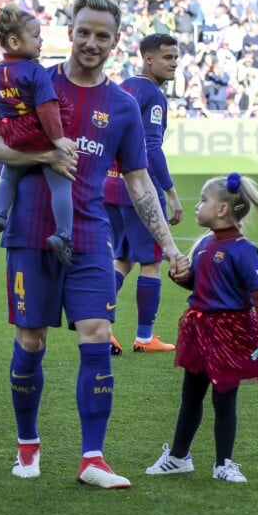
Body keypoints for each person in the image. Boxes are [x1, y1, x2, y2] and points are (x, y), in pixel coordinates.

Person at [0, 0, 188, 489]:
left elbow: (139, 183)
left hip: (90, 236)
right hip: (31, 234)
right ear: (69, 31)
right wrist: (45, 159)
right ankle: (27, 448)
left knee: (96, 335)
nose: (91, 42)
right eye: (84, 32)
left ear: (116, 42)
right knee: (31, 340)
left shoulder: (121, 105)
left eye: (102, 35)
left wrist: (171, 247)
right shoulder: (35, 82)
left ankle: (92, 459)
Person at [145, 172, 258, 483]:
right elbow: (198, 286)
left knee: (224, 399)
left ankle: (224, 463)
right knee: (191, 397)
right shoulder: (202, 244)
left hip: (229, 334)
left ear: (223, 209)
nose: (197, 206)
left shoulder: (243, 250)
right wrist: (179, 276)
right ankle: (178, 456)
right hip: (199, 331)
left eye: (203, 200)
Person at [103, 33, 183, 355]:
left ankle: (102, 329)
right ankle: (145, 337)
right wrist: (171, 192)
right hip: (138, 189)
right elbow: (150, 148)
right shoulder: (152, 95)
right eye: (168, 58)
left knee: (121, 260)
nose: (174, 63)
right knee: (151, 262)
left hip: (110, 185)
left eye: (176, 58)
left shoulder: (124, 87)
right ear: (148, 58)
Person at [0, 4, 76, 265]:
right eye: (35, 36)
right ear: (14, 41)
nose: (41, 41)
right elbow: (47, 108)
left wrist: (3, 119)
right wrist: (57, 140)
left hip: (12, 133)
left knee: (8, 176)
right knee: (60, 183)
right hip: (38, 132)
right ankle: (63, 234)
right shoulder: (35, 72)